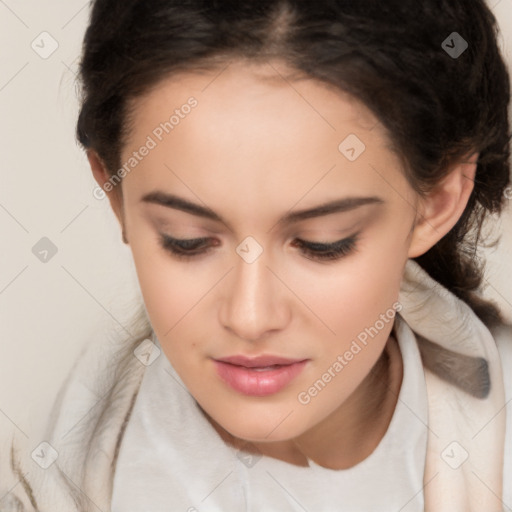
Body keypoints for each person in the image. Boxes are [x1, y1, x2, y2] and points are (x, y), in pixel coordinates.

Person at [1, 0, 511, 510]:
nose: (250, 317)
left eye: (323, 243)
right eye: (186, 240)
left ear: (435, 203)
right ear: (116, 197)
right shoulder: (38, 465)